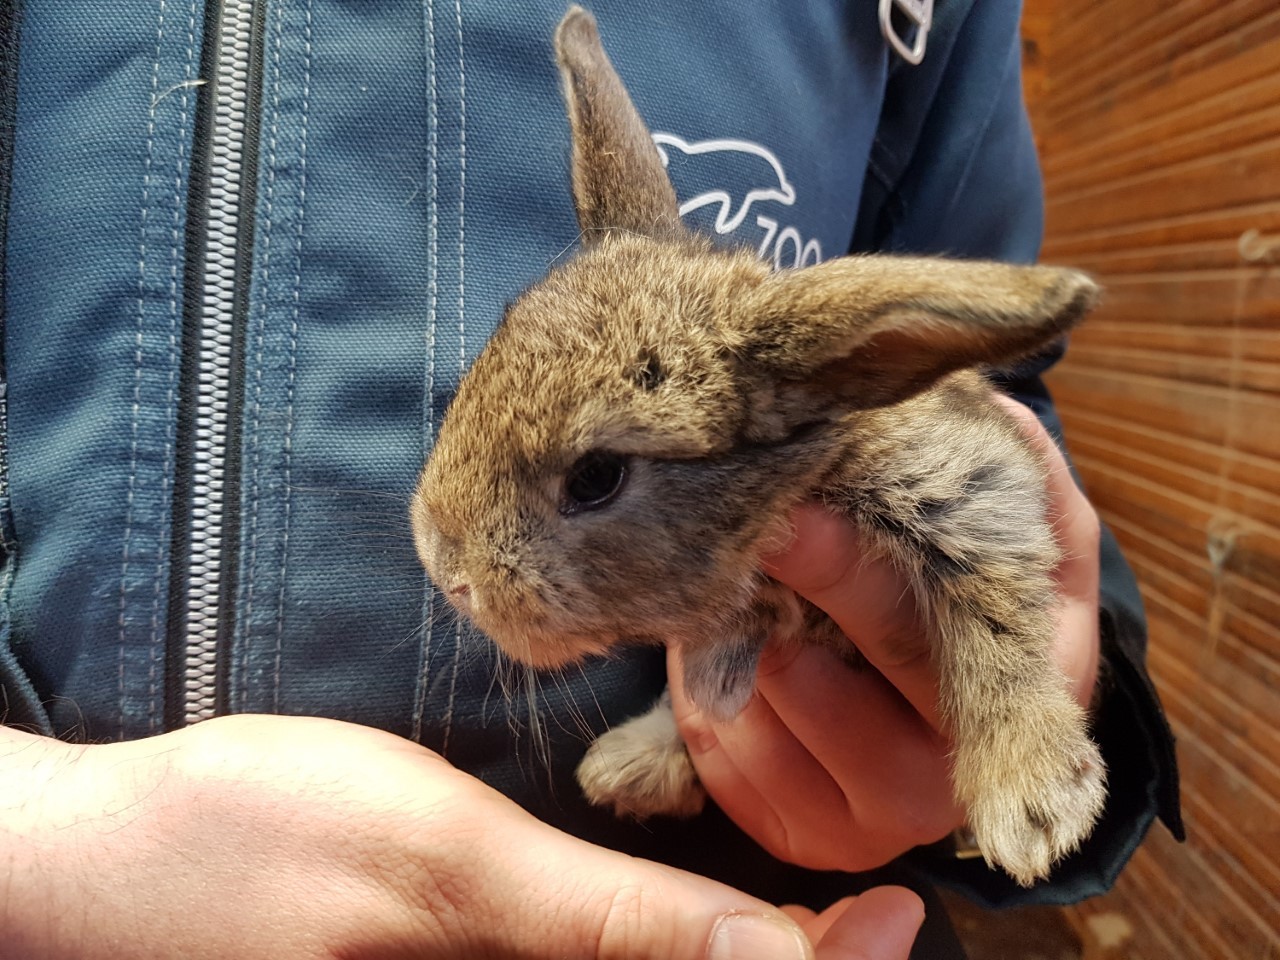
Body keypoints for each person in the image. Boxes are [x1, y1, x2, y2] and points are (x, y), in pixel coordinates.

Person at [0, 1, 1181, 958]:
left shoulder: (838, 396)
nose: (454, 567)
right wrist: (38, 853)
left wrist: (1035, 698)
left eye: (594, 475)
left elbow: (1007, 427)